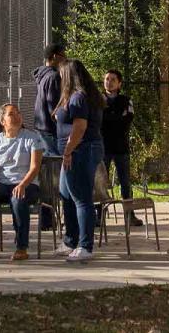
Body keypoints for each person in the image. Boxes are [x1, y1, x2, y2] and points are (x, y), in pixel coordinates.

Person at [53, 59, 106, 263]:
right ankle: (70, 240)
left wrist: (68, 151)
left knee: (81, 198)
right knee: (66, 194)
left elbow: (79, 127)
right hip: (80, 149)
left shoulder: (78, 98)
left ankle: (85, 245)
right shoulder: (86, 96)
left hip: (80, 150)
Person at [0, 103, 45, 261]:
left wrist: (22, 184)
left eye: (18, 113)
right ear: (2, 121)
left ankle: (21, 247)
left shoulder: (32, 137)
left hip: (27, 184)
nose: (16, 117)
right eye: (11, 114)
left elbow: (35, 167)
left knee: (18, 199)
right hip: (2, 184)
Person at [101, 69, 142, 227]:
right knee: (100, 182)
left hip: (121, 147)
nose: (108, 82)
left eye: (112, 79)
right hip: (103, 147)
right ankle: (99, 215)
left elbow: (127, 121)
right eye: (106, 79)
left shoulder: (126, 100)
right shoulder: (98, 99)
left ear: (119, 83)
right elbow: (99, 121)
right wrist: (116, 117)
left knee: (125, 182)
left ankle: (129, 215)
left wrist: (110, 118)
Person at [32, 43, 67, 156]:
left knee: (47, 166)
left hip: (41, 128)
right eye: (64, 55)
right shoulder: (54, 76)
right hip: (51, 130)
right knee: (57, 166)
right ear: (55, 56)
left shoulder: (42, 75)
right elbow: (54, 106)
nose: (65, 59)